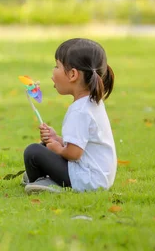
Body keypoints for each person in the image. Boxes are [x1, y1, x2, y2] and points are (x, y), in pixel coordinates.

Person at [22, 38, 116, 194]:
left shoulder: (79, 111)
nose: (53, 72)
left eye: (56, 66)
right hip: (98, 177)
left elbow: (73, 153)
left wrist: (58, 148)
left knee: (33, 152)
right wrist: (56, 138)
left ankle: (49, 183)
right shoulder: (91, 103)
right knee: (45, 146)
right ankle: (46, 178)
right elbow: (81, 144)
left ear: (73, 74)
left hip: (87, 180)